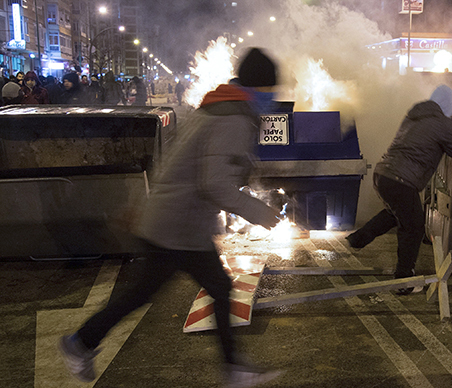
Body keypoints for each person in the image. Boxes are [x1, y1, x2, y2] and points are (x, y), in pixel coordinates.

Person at [58, 47, 284, 387]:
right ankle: (233, 369)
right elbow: (215, 183)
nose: (274, 97)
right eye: (271, 90)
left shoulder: (215, 107)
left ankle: (81, 342)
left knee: (148, 292)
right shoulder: (234, 117)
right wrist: (259, 212)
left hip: (170, 220)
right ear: (261, 88)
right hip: (181, 226)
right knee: (218, 288)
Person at [345, 85, 452, 295]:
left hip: (384, 174)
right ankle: (403, 281)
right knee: (414, 228)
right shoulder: (441, 123)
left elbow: (428, 141)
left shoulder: (415, 117)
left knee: (396, 214)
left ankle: (357, 239)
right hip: (401, 180)